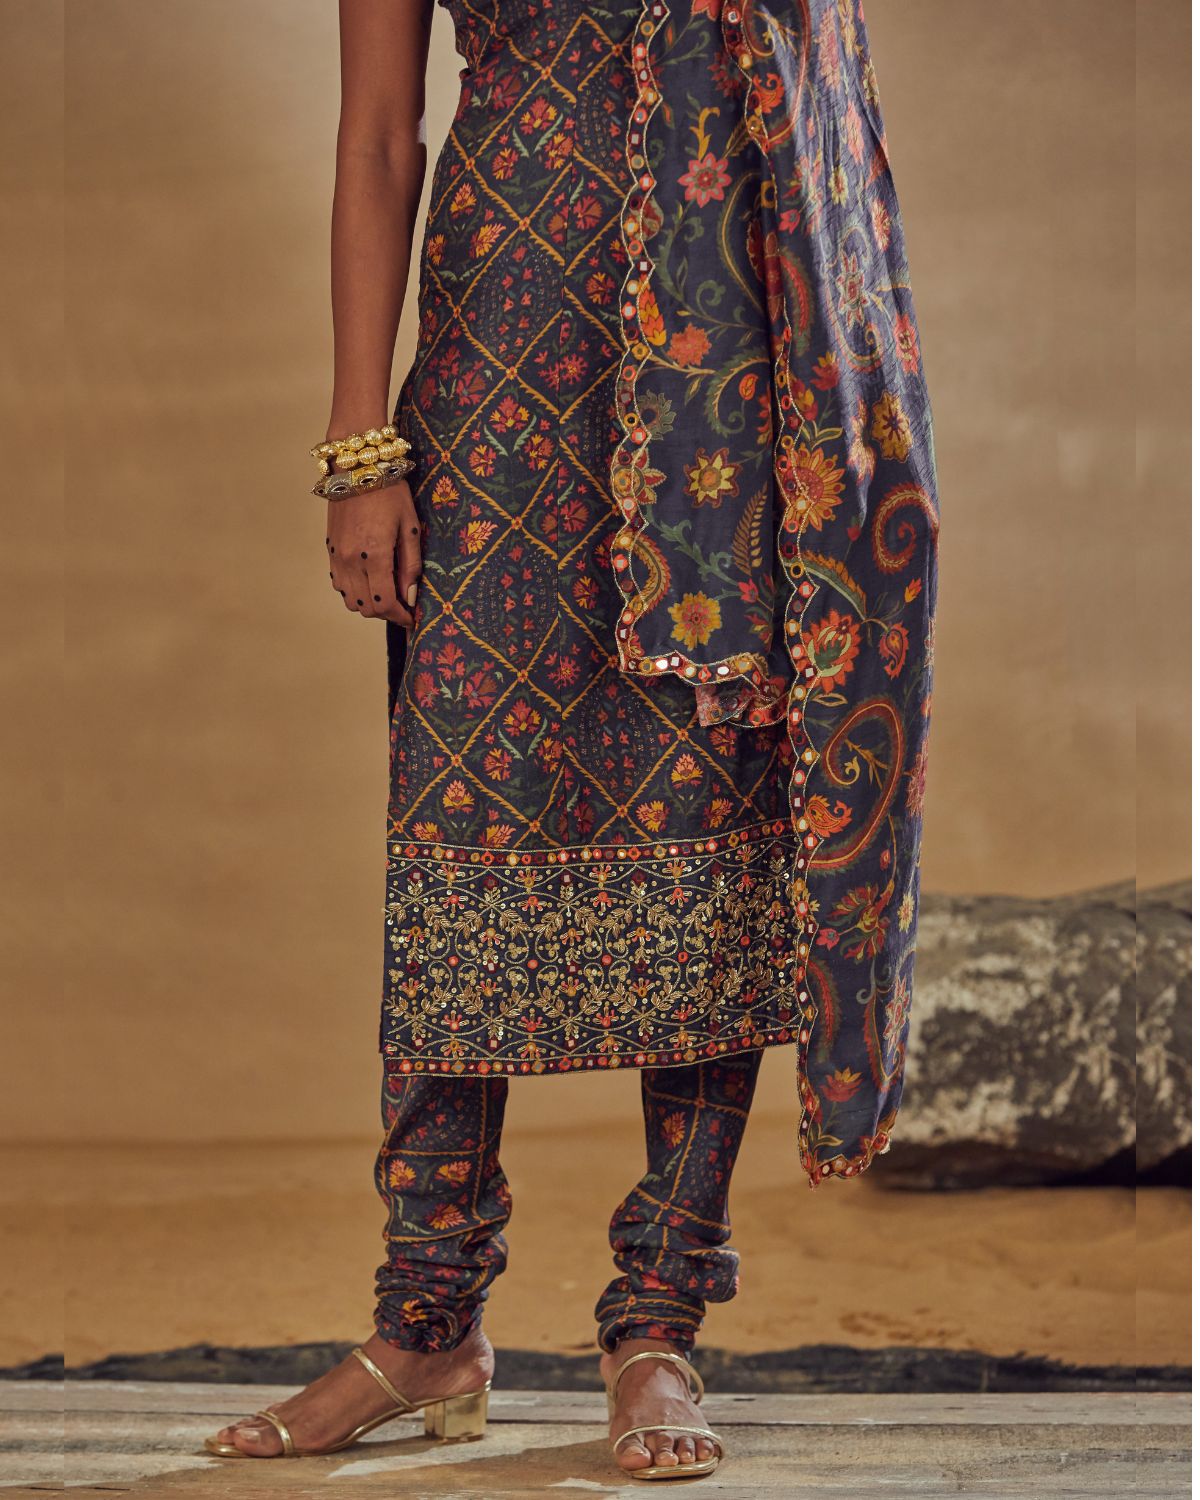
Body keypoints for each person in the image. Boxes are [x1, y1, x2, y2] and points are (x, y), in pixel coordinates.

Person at [206, 0, 939, 1481]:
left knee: (713, 825)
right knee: (456, 829)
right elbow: (376, 137)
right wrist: (360, 444)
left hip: (731, 387)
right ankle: (426, 1325)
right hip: (498, 367)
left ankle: (657, 1324)